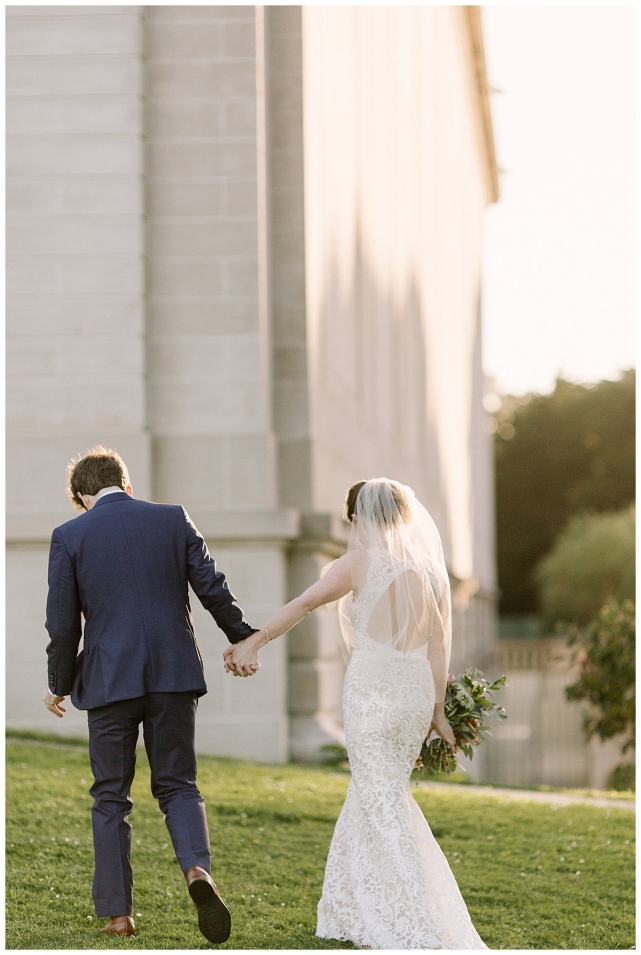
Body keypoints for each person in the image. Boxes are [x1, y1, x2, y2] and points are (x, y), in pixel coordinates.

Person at [224, 477, 488, 950]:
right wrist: (437, 712)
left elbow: (306, 603)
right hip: (411, 695)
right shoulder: (426, 573)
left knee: (380, 799)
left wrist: (254, 639)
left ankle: (413, 912)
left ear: (358, 517)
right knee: (377, 793)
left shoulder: (358, 563)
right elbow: (439, 643)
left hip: (371, 693)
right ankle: (350, 907)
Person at [42, 446, 258, 942]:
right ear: (127, 483)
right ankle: (197, 873)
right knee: (179, 783)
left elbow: (61, 621)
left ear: (81, 497)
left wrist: (59, 682)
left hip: (110, 679)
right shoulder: (173, 518)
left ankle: (119, 917)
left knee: (111, 796)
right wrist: (241, 637)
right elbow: (212, 586)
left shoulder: (69, 536)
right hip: (174, 672)